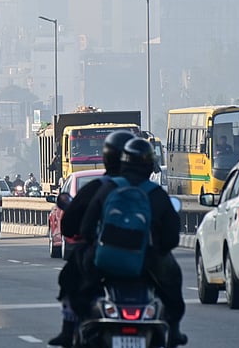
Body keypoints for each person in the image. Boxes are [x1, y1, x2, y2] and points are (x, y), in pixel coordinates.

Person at [77, 137, 187, 348]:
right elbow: (172, 237)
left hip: (105, 260)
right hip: (147, 261)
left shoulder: (108, 188)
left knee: (82, 283)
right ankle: (174, 330)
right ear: (149, 165)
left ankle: (81, 326)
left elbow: (86, 229)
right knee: (173, 280)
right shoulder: (157, 194)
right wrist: (156, 250)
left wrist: (98, 246)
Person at [48, 130, 133, 348]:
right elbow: (170, 232)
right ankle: (175, 329)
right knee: (171, 280)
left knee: (69, 278)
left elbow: (71, 226)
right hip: (146, 256)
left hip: (103, 254)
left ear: (107, 157)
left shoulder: (98, 188)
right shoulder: (152, 190)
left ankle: (69, 329)